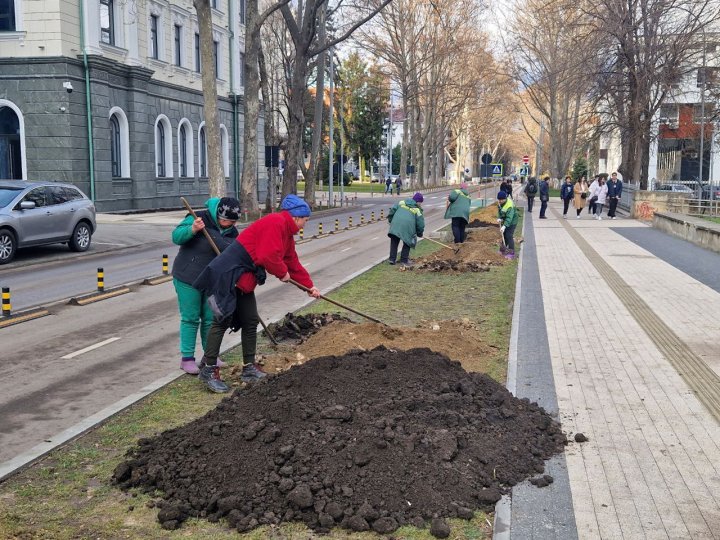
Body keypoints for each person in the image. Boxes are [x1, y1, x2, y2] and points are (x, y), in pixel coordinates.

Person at [193, 194, 321, 393]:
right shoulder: (276, 222)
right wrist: (282, 273)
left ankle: (249, 368)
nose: (305, 223)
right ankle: (209, 369)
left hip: (244, 279)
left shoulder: (286, 233)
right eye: (305, 219)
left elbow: (291, 261)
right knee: (222, 320)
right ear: (296, 216)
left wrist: (309, 287)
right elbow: (268, 256)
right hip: (229, 274)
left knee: (250, 320)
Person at [171, 197, 240, 375]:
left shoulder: (233, 233)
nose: (228, 225)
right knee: (191, 317)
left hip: (212, 281)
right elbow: (176, 237)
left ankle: (210, 356)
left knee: (210, 319)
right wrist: (192, 229)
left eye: (233, 222)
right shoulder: (198, 218)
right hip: (188, 277)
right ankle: (187, 359)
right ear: (218, 214)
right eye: (226, 221)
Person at [387, 192, 425, 266]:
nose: (420, 204)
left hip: (396, 224)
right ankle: (404, 260)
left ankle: (392, 259)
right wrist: (420, 233)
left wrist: (390, 220)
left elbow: (392, 211)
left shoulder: (402, 202)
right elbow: (420, 224)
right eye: (420, 203)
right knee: (408, 242)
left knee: (394, 241)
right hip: (407, 228)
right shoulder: (417, 210)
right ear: (418, 202)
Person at [496, 191, 519, 260]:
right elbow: (500, 211)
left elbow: (509, 217)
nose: (500, 201)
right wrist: (499, 218)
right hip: (506, 220)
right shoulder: (500, 203)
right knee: (504, 235)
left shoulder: (509, 205)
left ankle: (511, 253)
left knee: (509, 236)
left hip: (512, 221)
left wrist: (504, 226)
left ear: (505, 198)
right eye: (499, 199)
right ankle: (503, 250)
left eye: (501, 200)